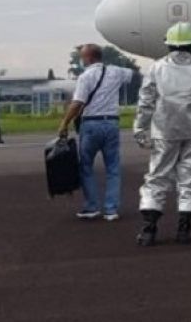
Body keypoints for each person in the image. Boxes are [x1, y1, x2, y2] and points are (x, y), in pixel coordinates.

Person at [132, 22, 191, 246]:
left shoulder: (156, 68)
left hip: (164, 129)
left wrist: (140, 128)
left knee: (157, 176)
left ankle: (149, 229)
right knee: (190, 177)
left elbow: (145, 101)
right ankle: (184, 228)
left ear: (168, 43)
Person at [57, 44, 135, 222]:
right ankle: (111, 209)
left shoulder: (86, 77)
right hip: (112, 123)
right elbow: (131, 75)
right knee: (113, 168)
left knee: (86, 167)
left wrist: (64, 123)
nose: (81, 61)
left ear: (89, 59)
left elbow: (77, 103)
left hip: (92, 124)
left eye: (82, 57)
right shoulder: (116, 71)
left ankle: (91, 206)